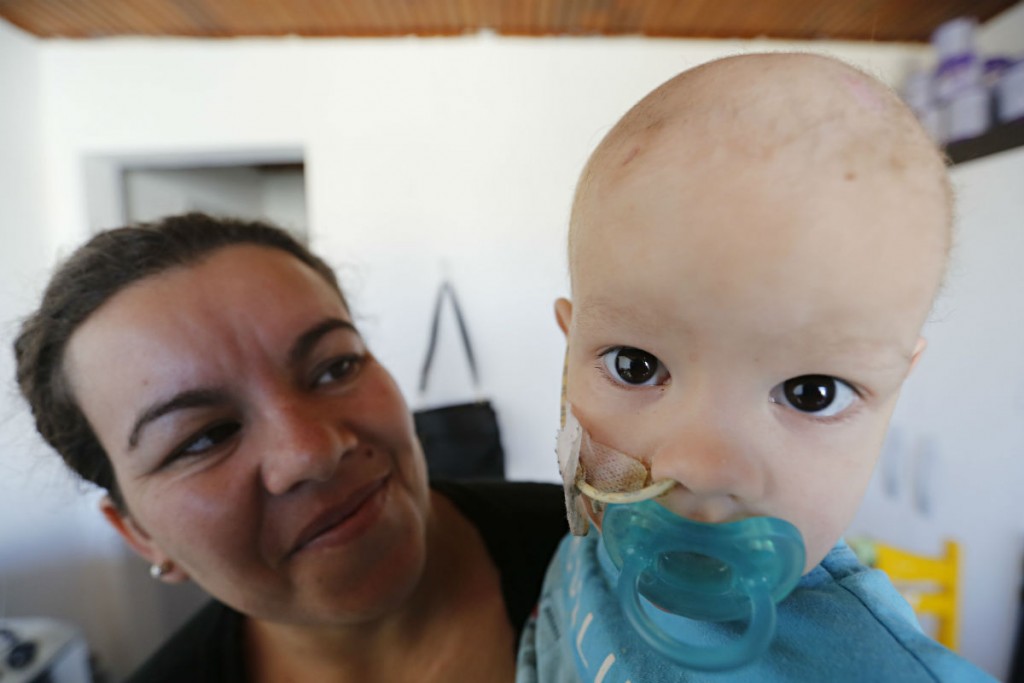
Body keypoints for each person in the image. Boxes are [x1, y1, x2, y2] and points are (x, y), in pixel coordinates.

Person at [517, 53, 995, 681]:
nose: (700, 470)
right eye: (635, 366)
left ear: (894, 389)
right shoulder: (593, 529)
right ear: (568, 355)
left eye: (811, 392)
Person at [13, 212, 568, 682]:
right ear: (139, 534)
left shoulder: (593, 549)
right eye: (206, 437)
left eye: (335, 367)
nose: (312, 453)